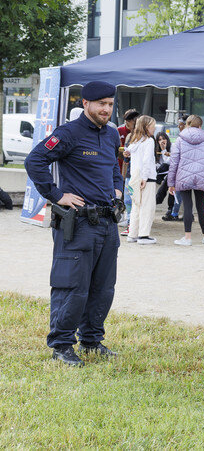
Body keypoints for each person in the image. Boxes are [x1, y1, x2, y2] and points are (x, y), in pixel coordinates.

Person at [25, 81, 124, 366]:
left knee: (103, 287)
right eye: (101, 104)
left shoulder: (112, 135)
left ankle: (92, 340)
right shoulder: (68, 134)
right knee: (72, 286)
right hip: (79, 225)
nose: (106, 109)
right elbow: (35, 161)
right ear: (86, 104)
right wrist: (57, 195)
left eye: (109, 103)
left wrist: (117, 189)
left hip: (107, 222)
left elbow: (114, 169)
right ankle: (61, 346)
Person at [168, 115, 204, 247]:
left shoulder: (179, 139)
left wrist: (171, 183)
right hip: (202, 176)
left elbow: (174, 162)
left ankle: (187, 237)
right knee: (201, 206)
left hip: (184, 176)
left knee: (188, 206)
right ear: (200, 125)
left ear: (187, 124)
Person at [125, 115, 158, 244]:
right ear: (146, 127)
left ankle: (132, 234)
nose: (154, 128)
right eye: (152, 126)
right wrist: (144, 177)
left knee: (136, 206)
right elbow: (147, 161)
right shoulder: (149, 141)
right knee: (147, 207)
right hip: (147, 177)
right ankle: (143, 235)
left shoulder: (134, 142)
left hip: (134, 177)